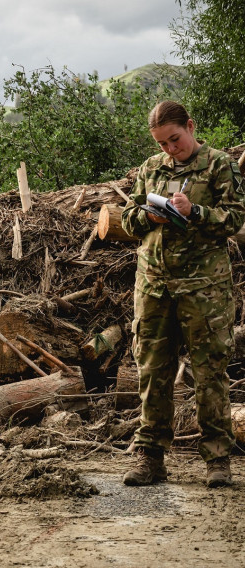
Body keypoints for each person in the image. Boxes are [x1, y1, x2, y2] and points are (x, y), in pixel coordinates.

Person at [121, 100, 245, 488]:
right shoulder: (150, 169)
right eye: (162, 143)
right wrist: (147, 215)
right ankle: (150, 458)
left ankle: (218, 460)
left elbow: (236, 218)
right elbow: (127, 218)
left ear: (190, 126)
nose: (170, 150)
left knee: (209, 374)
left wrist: (195, 212)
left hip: (204, 289)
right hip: (154, 285)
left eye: (175, 140)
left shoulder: (218, 164)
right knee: (153, 372)